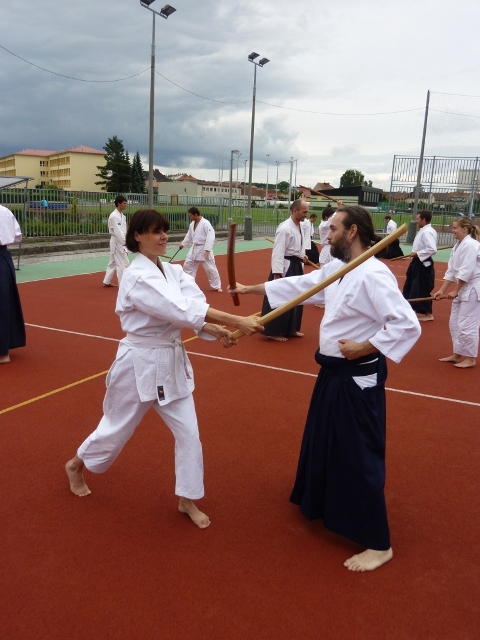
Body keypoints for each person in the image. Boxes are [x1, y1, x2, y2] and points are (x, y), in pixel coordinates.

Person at [229, 206, 421, 571]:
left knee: (358, 452)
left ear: (352, 233)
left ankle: (379, 544)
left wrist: (365, 346)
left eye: (332, 229)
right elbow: (302, 286)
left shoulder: (374, 275)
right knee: (325, 441)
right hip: (332, 374)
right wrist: (250, 288)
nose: (325, 235)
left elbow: (407, 325)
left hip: (356, 378)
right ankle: (322, 503)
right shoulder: (339, 268)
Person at [66, 209, 263, 528]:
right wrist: (235, 320)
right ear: (137, 236)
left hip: (171, 363)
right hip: (138, 363)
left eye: (164, 231)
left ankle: (187, 498)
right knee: (116, 428)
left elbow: (192, 305)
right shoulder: (134, 276)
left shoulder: (173, 272)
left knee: (189, 434)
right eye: (155, 231)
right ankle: (77, 464)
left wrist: (217, 330)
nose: (162, 236)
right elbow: (179, 308)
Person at [434, 217, 480, 369]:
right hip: (462, 288)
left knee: (467, 323)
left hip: (473, 288)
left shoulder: (471, 245)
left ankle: (471, 358)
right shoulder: (458, 246)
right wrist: (441, 291)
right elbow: (452, 272)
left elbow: (467, 270)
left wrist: (455, 290)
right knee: (454, 322)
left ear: (464, 229)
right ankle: (457, 353)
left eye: (455, 228)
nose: (452, 230)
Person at [260, 199, 310, 341]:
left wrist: (302, 255)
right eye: (304, 212)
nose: (306, 215)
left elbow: (294, 248)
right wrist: (277, 274)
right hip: (285, 268)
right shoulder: (285, 228)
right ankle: (273, 330)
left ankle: (291, 328)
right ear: (295, 211)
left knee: (295, 297)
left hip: (295, 264)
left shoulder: (299, 225)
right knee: (280, 297)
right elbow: (278, 252)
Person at [0, 205, 26, 364]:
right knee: (5, 302)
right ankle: (4, 352)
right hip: (3, 258)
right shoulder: (5, 211)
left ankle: (3, 353)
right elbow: (17, 236)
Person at [403, 210, 437, 321]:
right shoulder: (424, 231)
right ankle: (408, 309)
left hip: (423, 263)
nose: (416, 221)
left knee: (421, 288)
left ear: (424, 219)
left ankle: (428, 314)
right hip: (417, 262)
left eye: (418, 219)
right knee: (410, 285)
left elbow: (432, 249)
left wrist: (418, 253)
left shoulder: (427, 232)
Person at [179, 207, 222, 292]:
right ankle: (188, 284)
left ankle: (216, 286)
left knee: (210, 269)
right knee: (188, 266)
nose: (190, 217)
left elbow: (211, 236)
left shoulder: (206, 223)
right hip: (194, 248)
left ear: (195, 214)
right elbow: (189, 236)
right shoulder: (192, 224)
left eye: (190, 215)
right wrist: (183, 244)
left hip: (204, 248)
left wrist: (208, 249)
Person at [103, 196, 130, 287]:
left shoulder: (123, 216)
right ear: (118, 203)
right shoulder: (114, 216)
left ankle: (107, 281)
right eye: (124, 203)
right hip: (117, 241)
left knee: (112, 262)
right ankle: (123, 284)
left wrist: (127, 239)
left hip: (120, 240)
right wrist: (124, 242)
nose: (126, 205)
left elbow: (124, 231)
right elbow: (118, 232)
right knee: (123, 263)